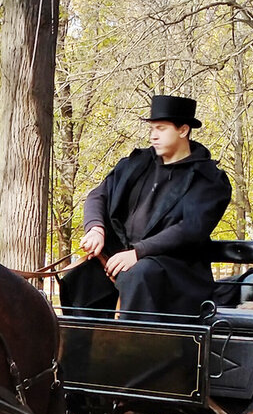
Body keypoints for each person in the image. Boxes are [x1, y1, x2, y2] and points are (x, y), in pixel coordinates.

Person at [61, 94, 232, 320]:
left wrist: (139, 252)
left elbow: (190, 229)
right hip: (120, 259)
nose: (153, 136)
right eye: (151, 128)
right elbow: (98, 195)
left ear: (183, 130)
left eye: (161, 128)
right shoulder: (135, 164)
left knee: (139, 274)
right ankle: (84, 352)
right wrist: (95, 228)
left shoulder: (208, 179)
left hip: (173, 269)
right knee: (79, 279)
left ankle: (137, 353)